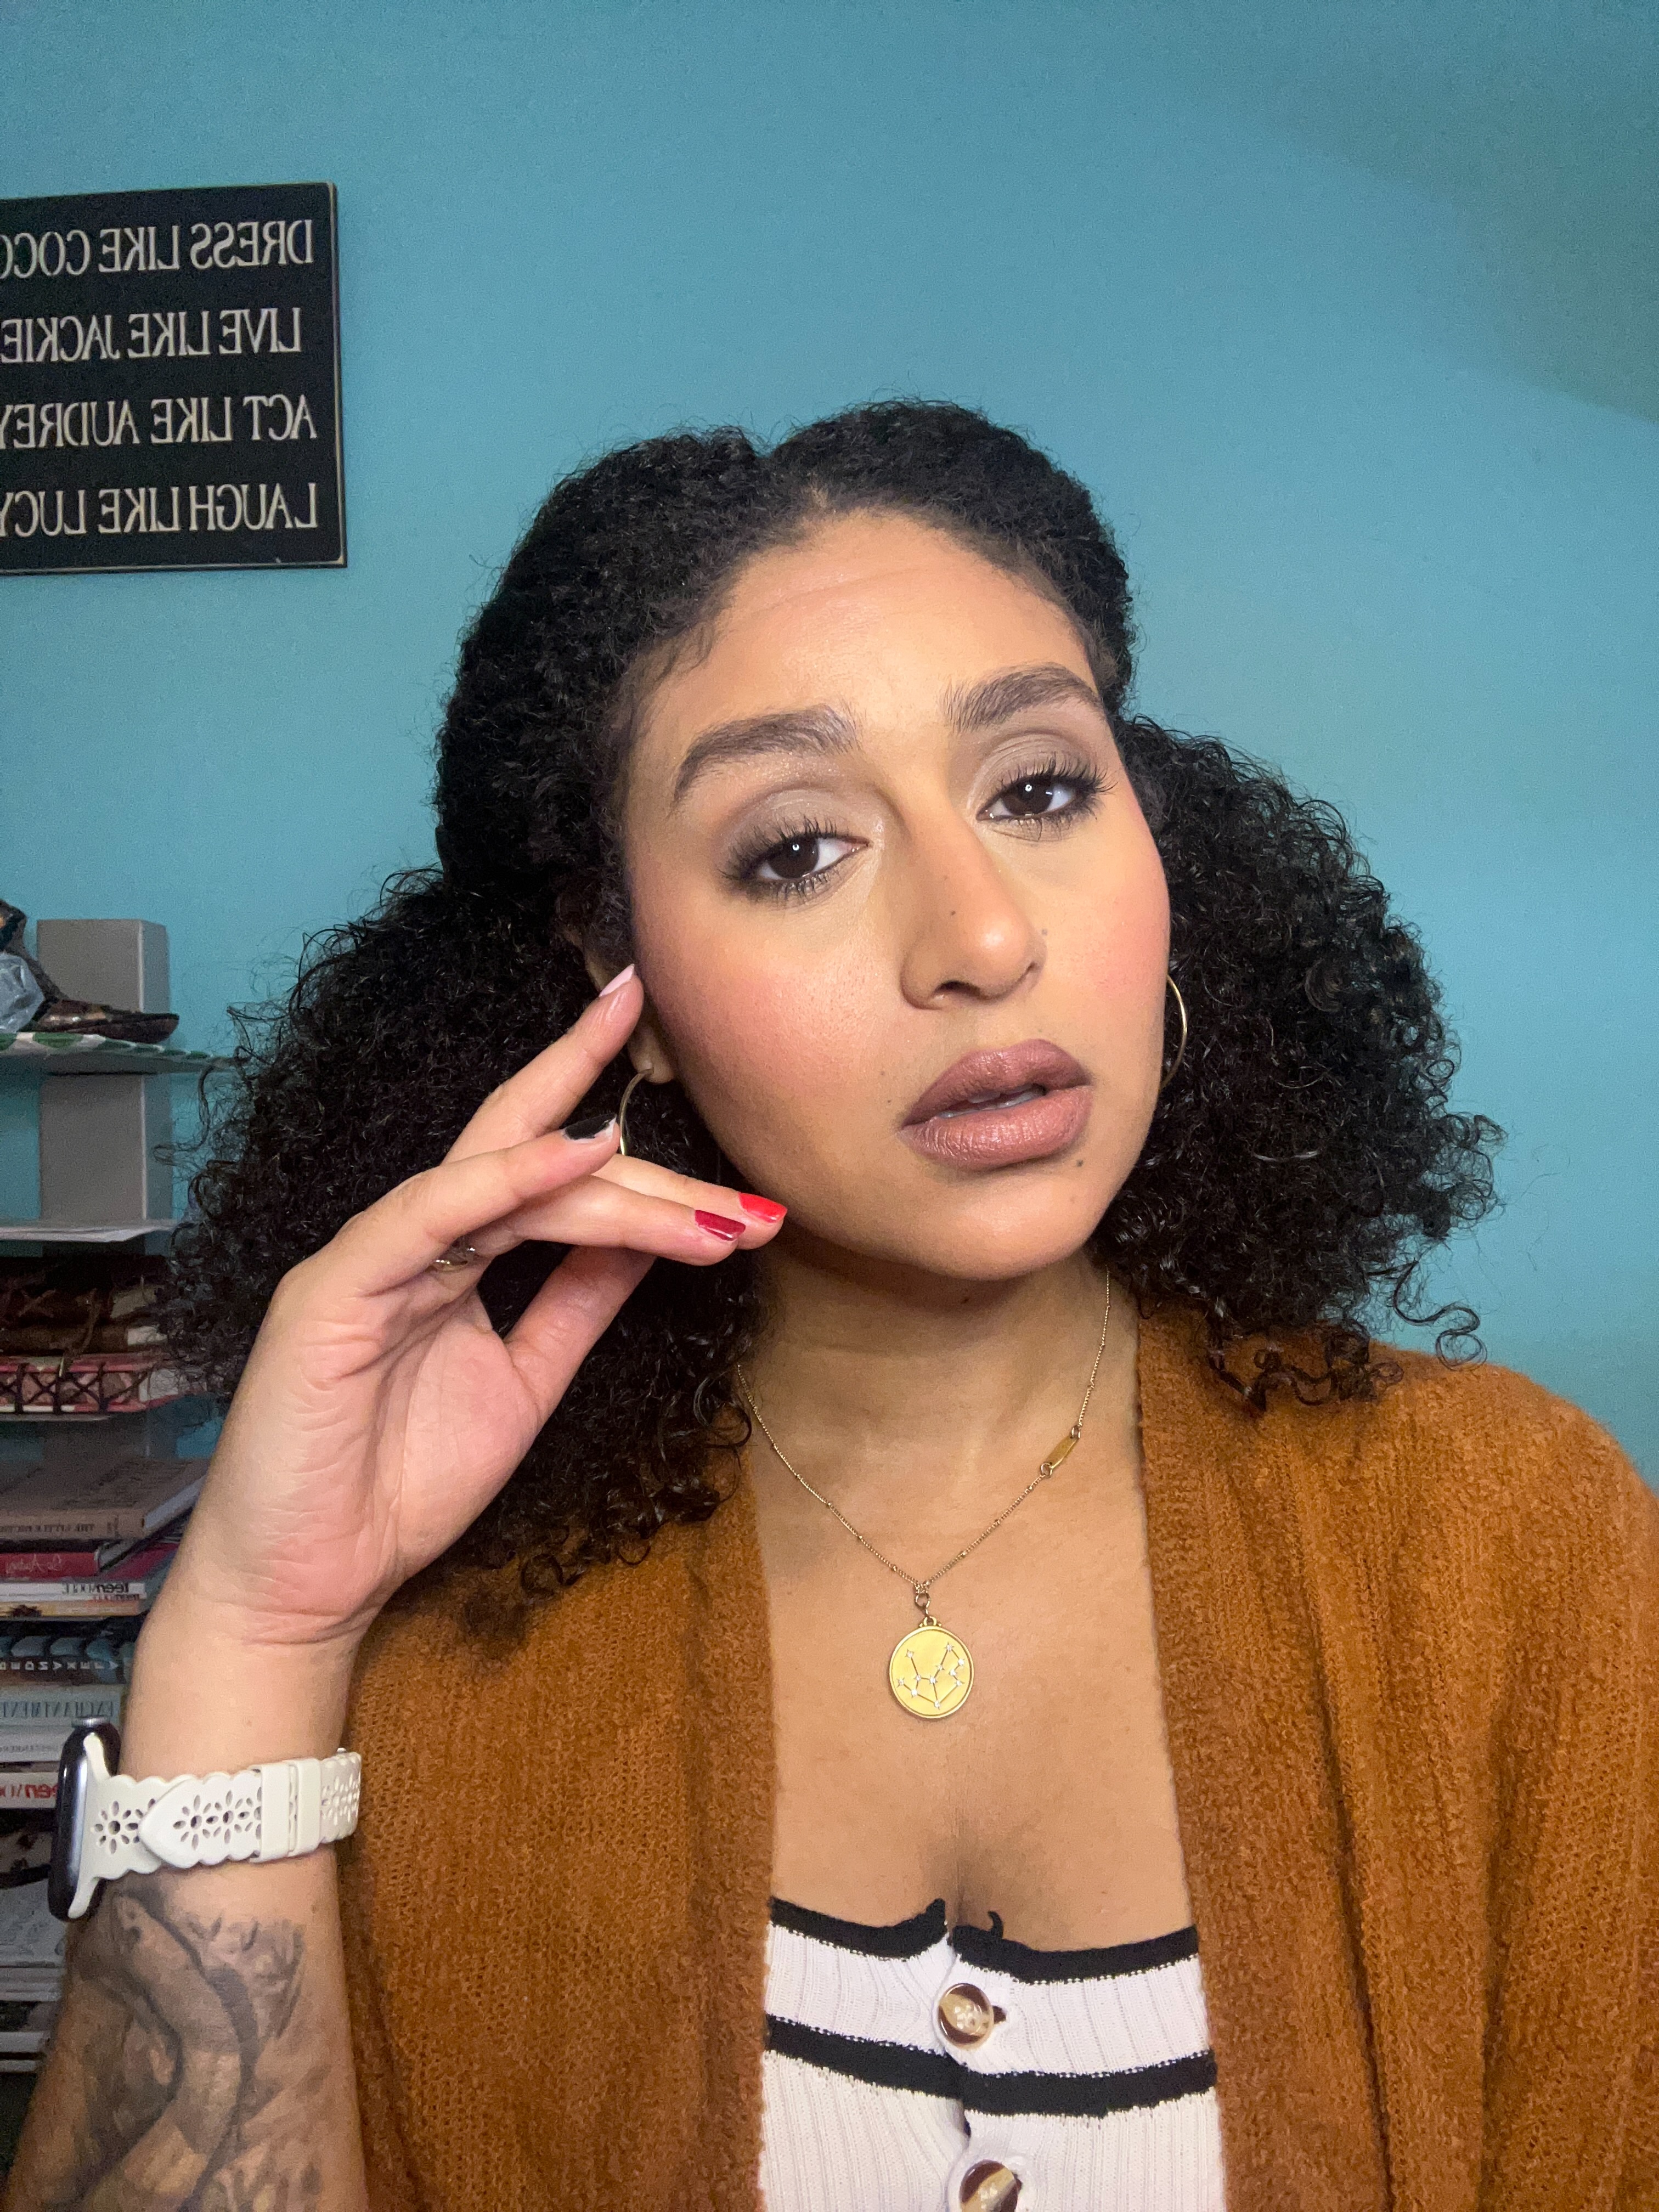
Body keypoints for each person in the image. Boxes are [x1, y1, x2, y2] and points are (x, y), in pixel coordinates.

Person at [11, 404, 1655, 2212]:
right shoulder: (427, 1639)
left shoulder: (1519, 1546)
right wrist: (257, 1637)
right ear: (620, 972)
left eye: (1039, 789)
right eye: (798, 848)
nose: (985, 939)